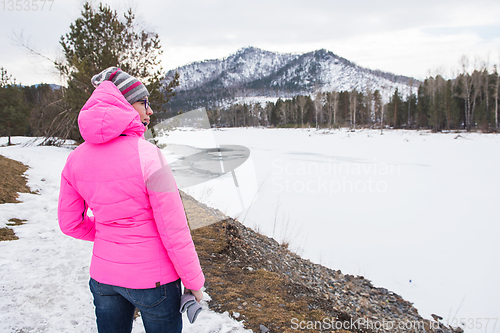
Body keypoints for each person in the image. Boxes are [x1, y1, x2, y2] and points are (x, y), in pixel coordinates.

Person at [58, 67, 204, 333]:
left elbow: (70, 224)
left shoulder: (75, 159)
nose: (150, 111)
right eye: (143, 103)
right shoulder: (149, 156)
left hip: (104, 278)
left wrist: (107, 233)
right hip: (155, 282)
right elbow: (174, 230)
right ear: (123, 105)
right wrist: (193, 281)